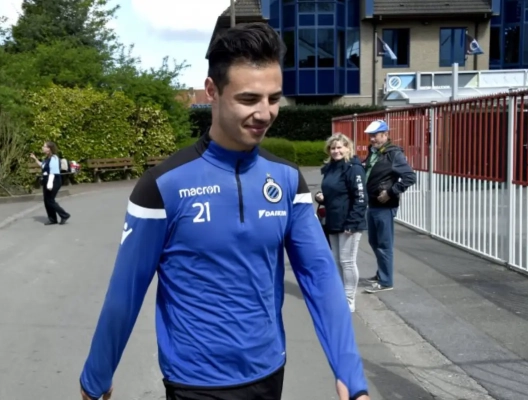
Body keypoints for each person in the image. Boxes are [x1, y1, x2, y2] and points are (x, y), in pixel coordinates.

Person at [79, 23, 370, 400]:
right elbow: (126, 290)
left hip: (269, 371)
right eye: (249, 99)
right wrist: (97, 373)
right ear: (212, 91)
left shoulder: (286, 179)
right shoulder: (163, 185)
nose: (265, 113)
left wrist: (349, 372)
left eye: (274, 98)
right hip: (195, 382)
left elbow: (320, 276)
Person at [362, 120, 416, 293]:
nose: (372, 139)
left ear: (385, 135)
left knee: (384, 244)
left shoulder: (393, 154)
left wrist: (391, 192)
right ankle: (381, 274)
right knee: (374, 241)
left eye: (375, 136)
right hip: (373, 203)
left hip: (384, 205)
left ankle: (386, 282)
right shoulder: (374, 152)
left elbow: (410, 177)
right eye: (370, 136)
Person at [315, 133, 367, 312]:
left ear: (347, 148)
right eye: (332, 148)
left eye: (339, 147)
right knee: (337, 260)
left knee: (347, 261)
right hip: (333, 220)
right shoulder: (330, 168)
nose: (336, 151)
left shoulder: (354, 168)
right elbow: (333, 192)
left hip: (349, 223)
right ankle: (339, 295)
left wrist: (352, 222)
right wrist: (321, 197)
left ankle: (349, 299)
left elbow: (361, 198)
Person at [30, 141, 70, 226]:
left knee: (50, 200)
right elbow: (43, 165)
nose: (42, 147)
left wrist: (50, 183)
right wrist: (35, 158)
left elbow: (53, 172)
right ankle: (52, 219)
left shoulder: (54, 158)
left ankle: (64, 215)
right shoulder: (47, 158)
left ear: (49, 149)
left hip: (53, 180)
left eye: (44, 146)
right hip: (47, 180)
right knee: (46, 200)